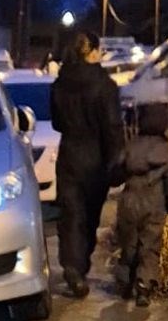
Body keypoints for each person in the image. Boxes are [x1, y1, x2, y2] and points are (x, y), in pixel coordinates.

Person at [49, 31, 126, 298]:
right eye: (98, 49)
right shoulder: (105, 86)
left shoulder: (60, 84)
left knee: (71, 214)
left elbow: (57, 123)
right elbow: (113, 127)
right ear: (91, 52)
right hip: (96, 158)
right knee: (89, 216)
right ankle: (79, 266)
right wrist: (117, 162)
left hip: (69, 155)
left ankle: (72, 266)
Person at [116, 102, 168, 307]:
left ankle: (125, 281)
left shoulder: (129, 149)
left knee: (128, 244)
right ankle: (143, 286)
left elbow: (115, 174)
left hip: (129, 203)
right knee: (150, 247)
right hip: (154, 206)